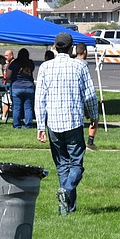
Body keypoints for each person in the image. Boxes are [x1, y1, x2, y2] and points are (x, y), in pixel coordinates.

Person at [35, 32, 99, 215]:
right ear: (71, 48)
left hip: (53, 123)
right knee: (76, 164)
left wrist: (41, 126)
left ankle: (68, 207)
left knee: (62, 165)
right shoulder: (79, 66)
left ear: (55, 47)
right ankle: (67, 190)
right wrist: (94, 116)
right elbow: (89, 95)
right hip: (73, 121)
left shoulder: (45, 67)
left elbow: (40, 99)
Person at [75, 44, 100, 150]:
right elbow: (88, 87)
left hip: (75, 96)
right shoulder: (83, 65)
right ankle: (90, 141)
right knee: (94, 119)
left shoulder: (72, 62)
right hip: (84, 95)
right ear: (84, 51)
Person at [8, 48, 37, 128]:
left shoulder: (14, 63)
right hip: (29, 87)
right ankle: (28, 124)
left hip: (16, 86)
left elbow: (8, 76)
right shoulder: (30, 63)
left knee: (16, 107)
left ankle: (17, 125)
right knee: (28, 107)